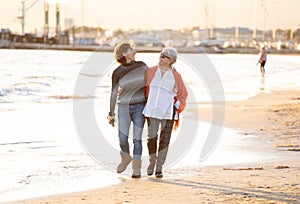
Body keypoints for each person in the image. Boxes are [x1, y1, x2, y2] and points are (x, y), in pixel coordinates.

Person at [143, 47, 188, 178]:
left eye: (164, 56)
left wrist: (177, 105)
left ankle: (159, 168)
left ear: (171, 61)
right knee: (151, 138)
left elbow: (183, 94)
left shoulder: (176, 76)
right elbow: (143, 89)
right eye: (161, 55)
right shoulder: (151, 71)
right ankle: (152, 162)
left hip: (168, 112)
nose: (161, 57)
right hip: (151, 110)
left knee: (164, 141)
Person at [107, 42, 148, 178]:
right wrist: (111, 113)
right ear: (124, 54)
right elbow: (113, 93)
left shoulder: (142, 66)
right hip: (123, 107)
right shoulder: (117, 72)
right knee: (122, 138)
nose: (134, 51)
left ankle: (137, 169)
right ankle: (125, 157)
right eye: (131, 50)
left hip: (140, 106)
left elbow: (152, 80)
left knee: (137, 139)